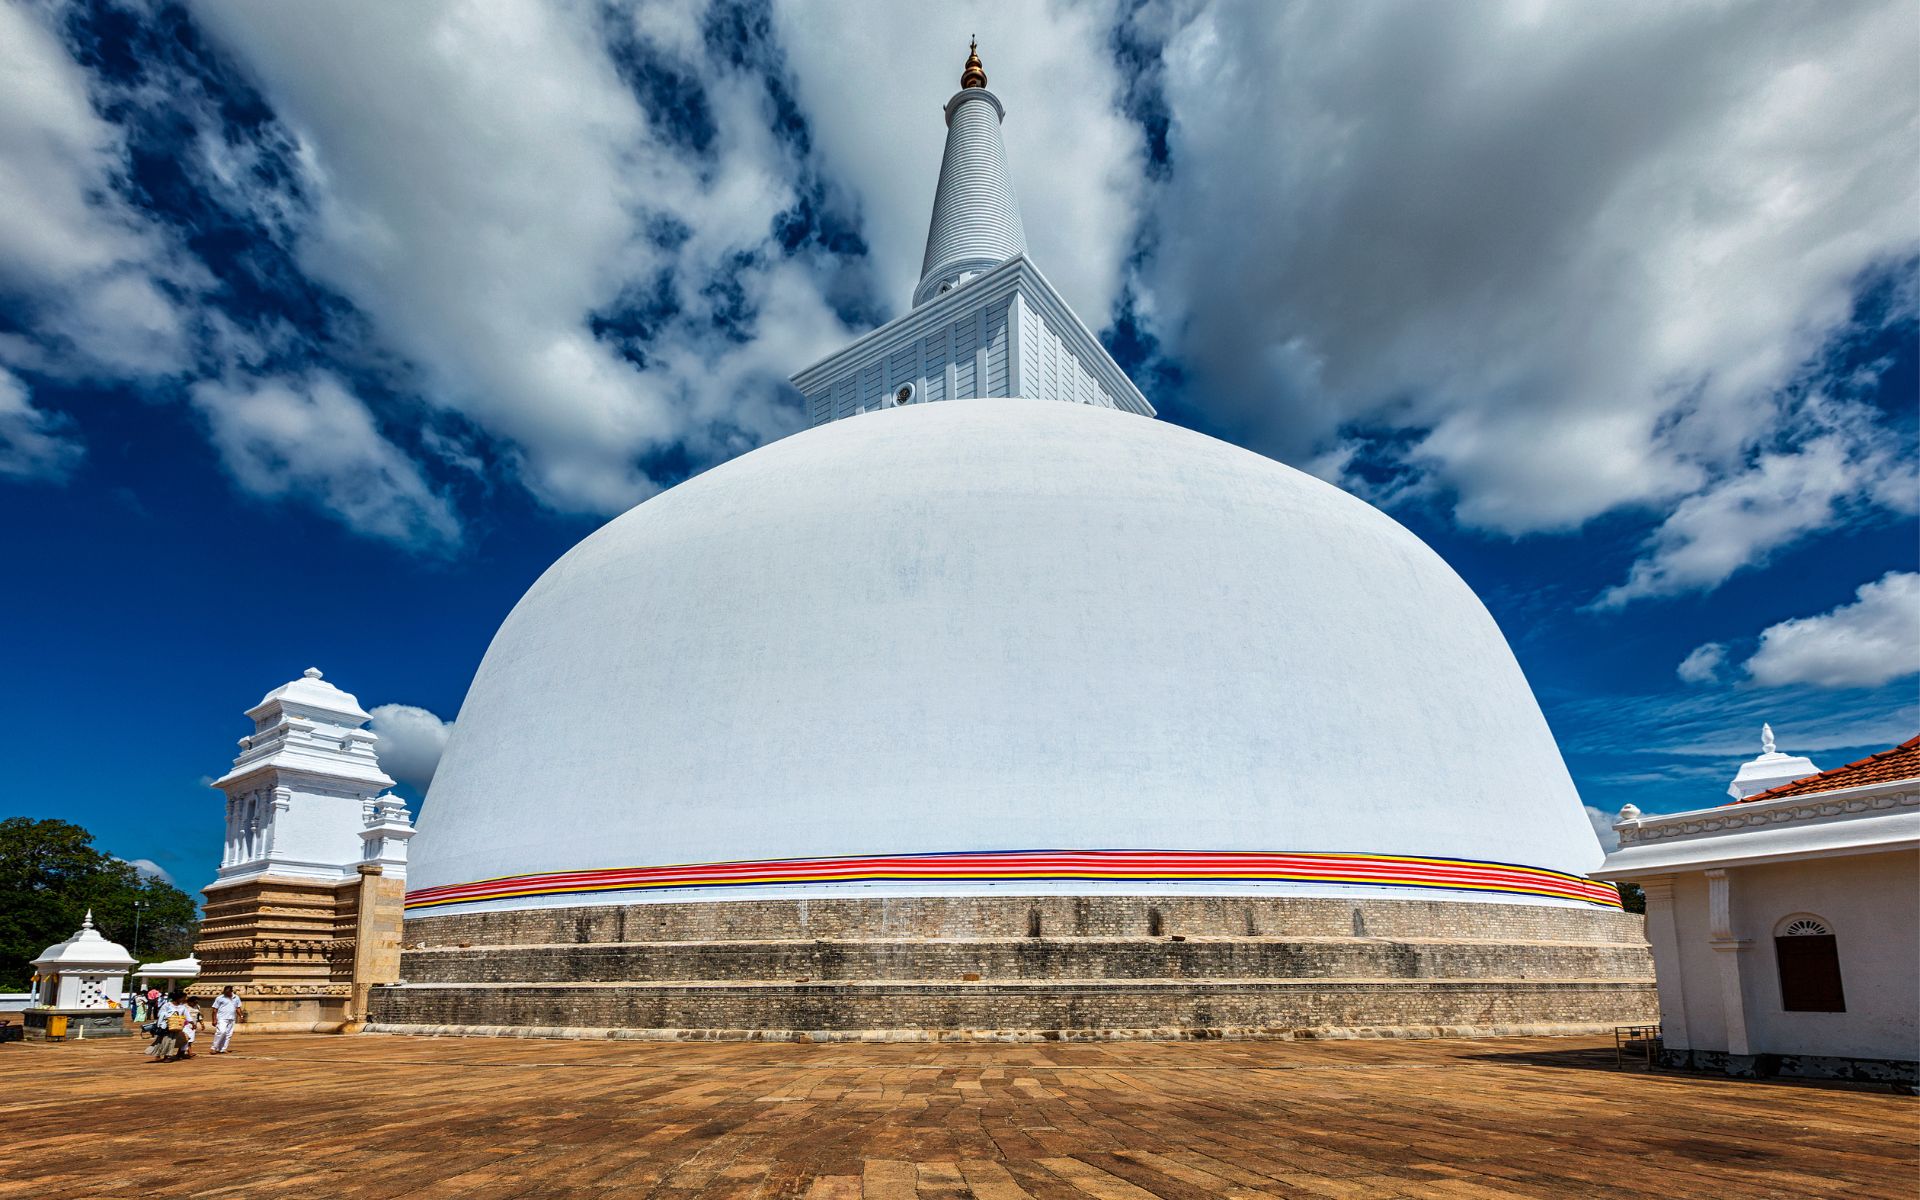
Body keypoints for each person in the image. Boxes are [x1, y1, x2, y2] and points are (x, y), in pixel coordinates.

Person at [211, 986, 244, 1054]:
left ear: (231, 991)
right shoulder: (220, 998)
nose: (226, 993)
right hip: (221, 1018)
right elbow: (215, 1009)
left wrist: (241, 1016)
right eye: (225, 992)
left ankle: (223, 1049)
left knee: (228, 1034)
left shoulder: (236, 997)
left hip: (232, 1018)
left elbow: (238, 1008)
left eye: (227, 992)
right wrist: (214, 1019)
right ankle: (214, 1048)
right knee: (221, 1032)